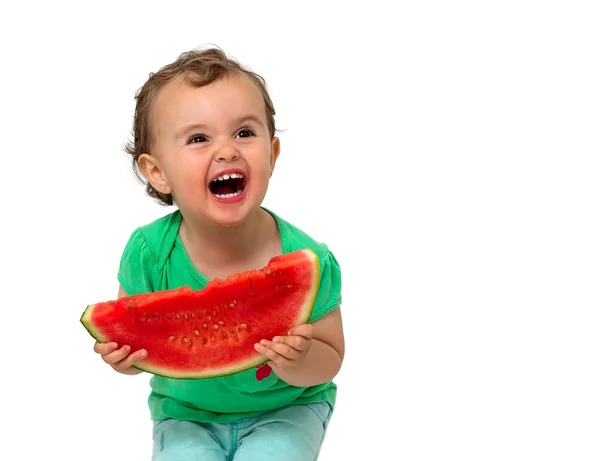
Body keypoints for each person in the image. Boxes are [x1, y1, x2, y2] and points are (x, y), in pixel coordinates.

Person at [92, 46, 345, 460]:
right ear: (158, 172)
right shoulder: (149, 253)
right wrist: (124, 358)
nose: (227, 150)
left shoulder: (309, 259)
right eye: (198, 138)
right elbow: (140, 341)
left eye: (244, 133)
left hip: (288, 409)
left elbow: (331, 358)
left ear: (272, 154)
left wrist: (299, 360)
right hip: (185, 415)